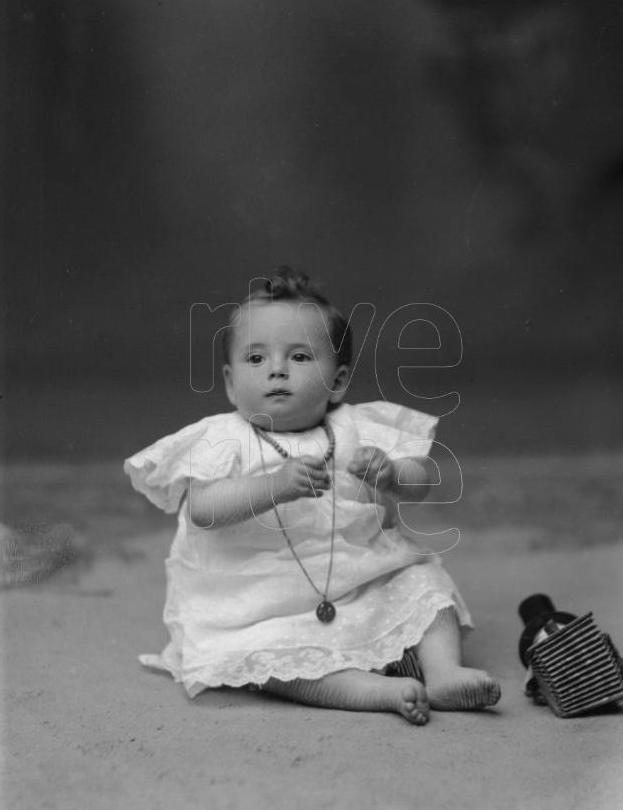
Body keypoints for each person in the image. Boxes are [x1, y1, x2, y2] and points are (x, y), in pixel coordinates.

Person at [125, 267, 500, 725]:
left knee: (425, 584)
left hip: (359, 574)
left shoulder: (356, 425)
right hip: (258, 598)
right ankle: (369, 691)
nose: (277, 369)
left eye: (300, 357)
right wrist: (274, 485)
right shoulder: (222, 439)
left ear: (338, 381)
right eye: (256, 359)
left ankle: (444, 672)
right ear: (228, 381)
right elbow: (202, 511)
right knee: (271, 660)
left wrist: (392, 472)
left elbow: (423, 477)